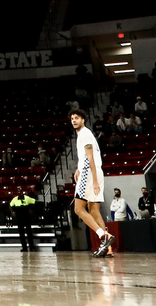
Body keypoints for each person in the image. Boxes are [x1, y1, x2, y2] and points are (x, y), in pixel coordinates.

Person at [69, 109, 114, 257]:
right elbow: (85, 156)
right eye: (72, 119)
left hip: (89, 173)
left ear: (83, 120)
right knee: (94, 211)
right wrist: (78, 168)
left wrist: (94, 180)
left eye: (77, 118)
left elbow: (90, 158)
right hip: (92, 172)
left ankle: (103, 235)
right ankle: (108, 248)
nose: (74, 120)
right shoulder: (83, 134)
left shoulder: (85, 134)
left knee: (78, 209)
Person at [10, 186, 37, 251]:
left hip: (26, 216)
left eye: (21, 192)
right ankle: (24, 248)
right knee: (21, 234)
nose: (20, 194)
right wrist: (12, 212)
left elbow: (35, 202)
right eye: (19, 193)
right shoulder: (14, 199)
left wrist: (31, 209)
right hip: (19, 217)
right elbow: (10, 206)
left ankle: (31, 247)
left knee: (29, 233)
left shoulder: (27, 198)